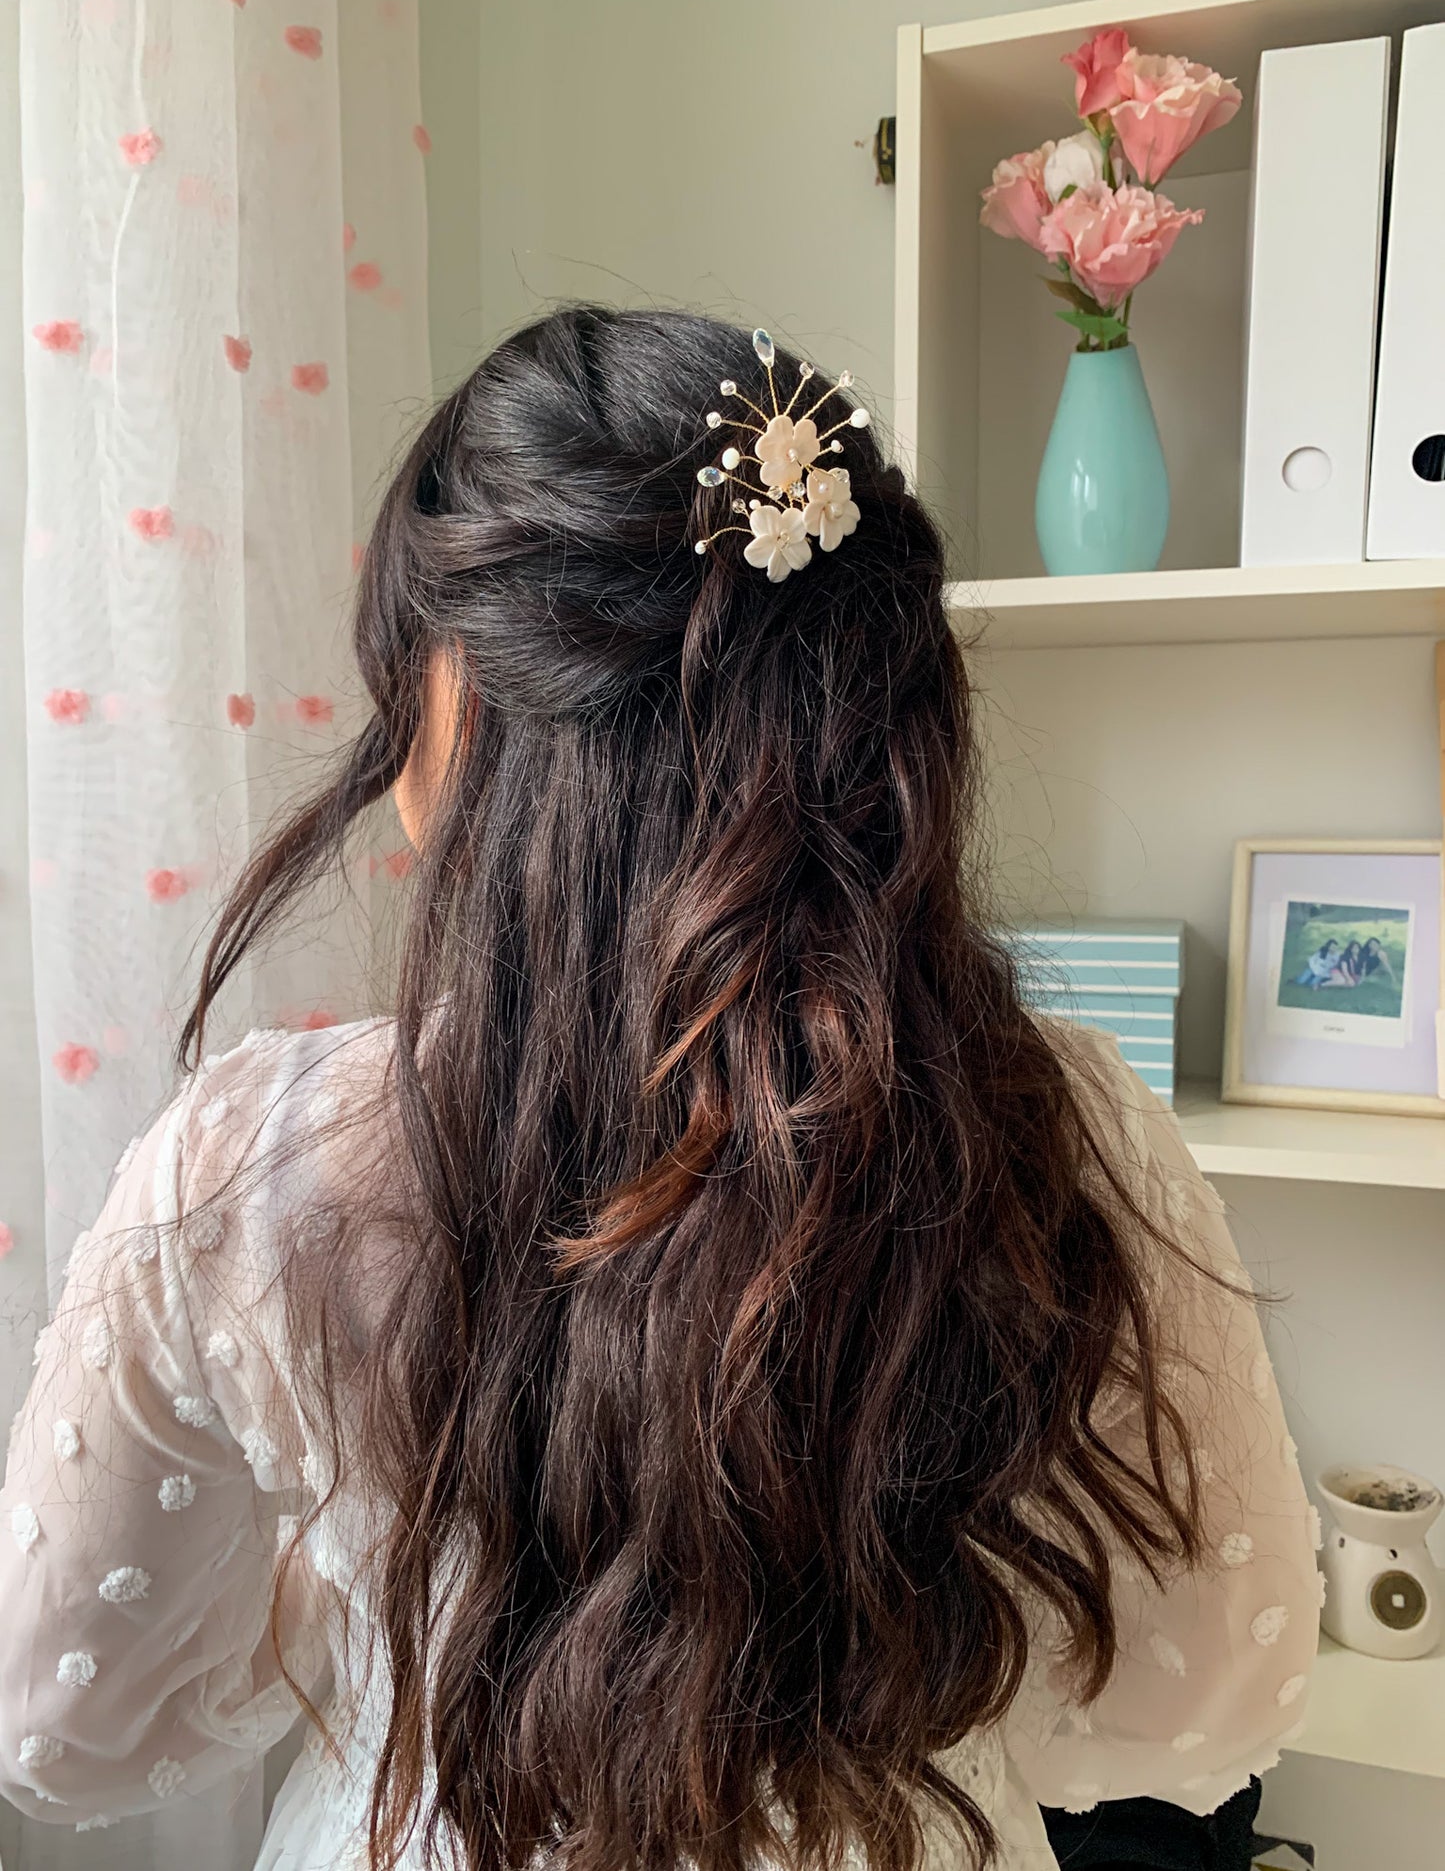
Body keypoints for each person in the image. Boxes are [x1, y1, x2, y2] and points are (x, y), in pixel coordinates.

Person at [0, 309, 1318, 1871]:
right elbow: (1213, 1700)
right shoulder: (1063, 1122)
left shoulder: (252, 1166)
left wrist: (357, 1588)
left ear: (465, 707)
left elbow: (57, 1731)